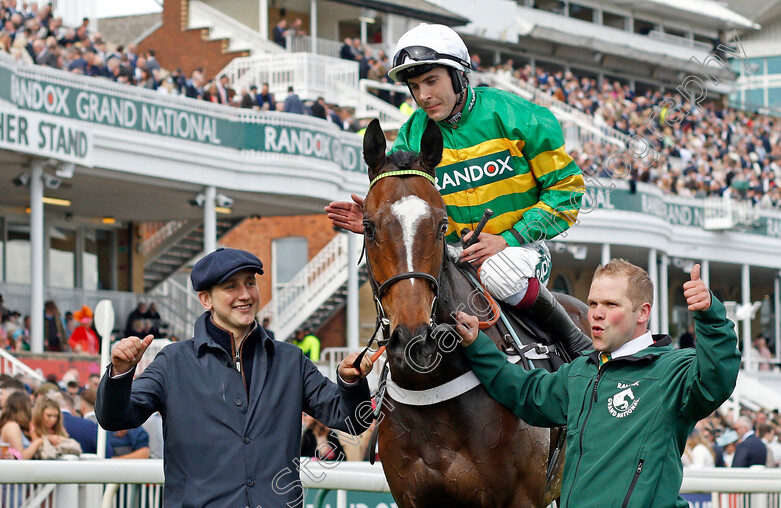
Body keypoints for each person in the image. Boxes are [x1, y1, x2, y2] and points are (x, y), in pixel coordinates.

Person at [326, 24, 590, 356]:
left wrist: (508, 238)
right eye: (415, 87)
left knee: (499, 273)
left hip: (520, 253)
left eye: (432, 82)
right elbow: (408, 209)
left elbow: (567, 192)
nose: (423, 96)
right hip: (450, 257)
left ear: (459, 75)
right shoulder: (410, 137)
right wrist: (374, 216)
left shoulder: (518, 116)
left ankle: (576, 342)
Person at [96, 247, 374, 506]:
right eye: (231, 286)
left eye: (250, 283)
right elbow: (115, 418)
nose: (245, 294)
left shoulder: (291, 360)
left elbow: (353, 421)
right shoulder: (173, 361)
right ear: (206, 299)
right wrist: (120, 373)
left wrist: (350, 381)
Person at [455, 261, 739, 507]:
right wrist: (476, 345)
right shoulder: (580, 372)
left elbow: (717, 378)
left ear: (642, 313)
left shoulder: (673, 370)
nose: (596, 314)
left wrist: (710, 316)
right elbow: (527, 393)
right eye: (592, 304)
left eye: (611, 304)